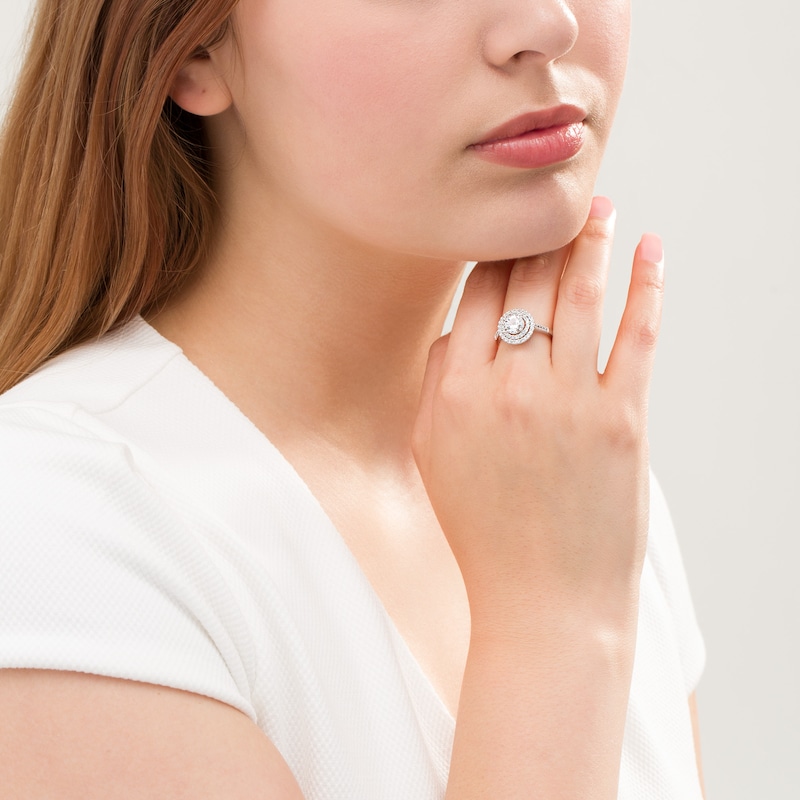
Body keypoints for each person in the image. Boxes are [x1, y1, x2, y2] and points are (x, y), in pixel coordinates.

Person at [0, 0, 706, 797]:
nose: (546, 23)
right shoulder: (57, 535)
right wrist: (554, 629)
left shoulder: (567, 473)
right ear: (193, 50)